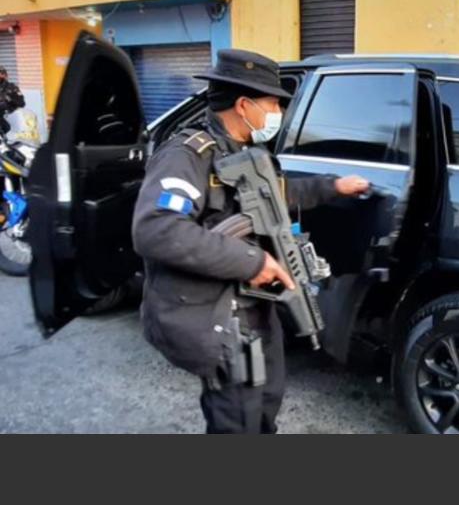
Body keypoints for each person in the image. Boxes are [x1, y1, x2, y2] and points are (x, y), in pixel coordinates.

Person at [131, 49, 370, 434]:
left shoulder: (248, 155)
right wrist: (253, 262)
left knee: (266, 403)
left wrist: (333, 187)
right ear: (244, 105)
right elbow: (157, 229)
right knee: (237, 419)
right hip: (214, 312)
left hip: (256, 308)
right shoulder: (186, 155)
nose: (278, 111)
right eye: (273, 102)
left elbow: (280, 194)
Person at [0, 66, 26, 134]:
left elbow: (22, 103)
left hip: (10, 116)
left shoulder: (12, 88)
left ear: (5, 75)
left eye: (2, 73)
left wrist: (9, 99)